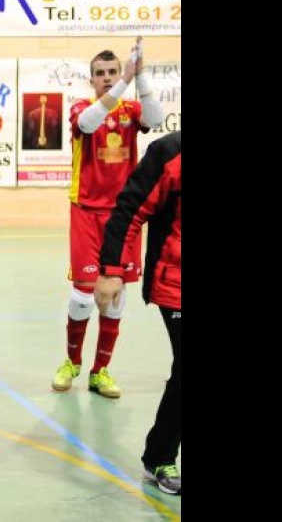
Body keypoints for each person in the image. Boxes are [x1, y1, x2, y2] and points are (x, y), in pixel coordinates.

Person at [50, 40, 164, 399]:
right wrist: (123, 82)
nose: (106, 78)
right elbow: (88, 122)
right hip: (86, 211)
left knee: (115, 298)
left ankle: (101, 371)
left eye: (112, 72)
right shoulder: (82, 108)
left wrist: (139, 76)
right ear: (91, 80)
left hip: (123, 216)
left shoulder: (131, 108)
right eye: (100, 74)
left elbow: (157, 119)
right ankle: (72, 362)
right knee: (83, 295)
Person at [96, 130, 181, 496]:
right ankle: (160, 458)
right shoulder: (169, 152)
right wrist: (112, 269)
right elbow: (129, 210)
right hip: (175, 281)